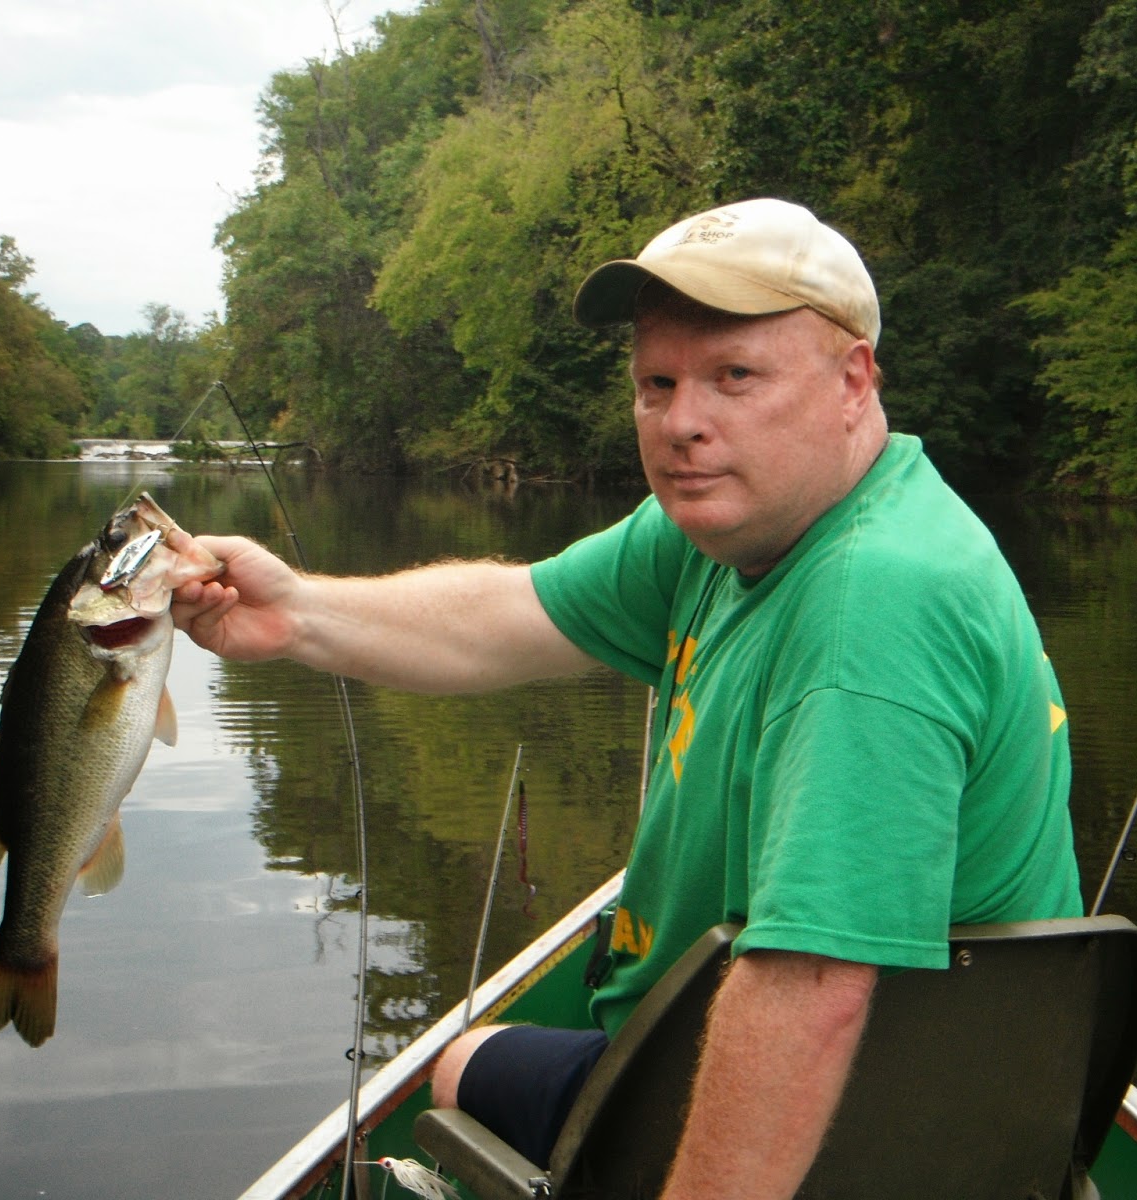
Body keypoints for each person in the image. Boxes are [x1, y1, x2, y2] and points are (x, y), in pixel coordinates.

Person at [166, 197, 1083, 1199]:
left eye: (735, 376)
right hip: (939, 1088)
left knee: (463, 1065)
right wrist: (297, 614)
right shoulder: (726, 525)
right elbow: (503, 614)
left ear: (852, 379)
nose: (683, 421)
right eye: (657, 382)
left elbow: (808, 992)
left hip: (879, 1132)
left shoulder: (872, 599)